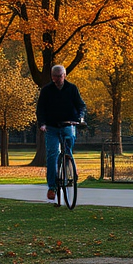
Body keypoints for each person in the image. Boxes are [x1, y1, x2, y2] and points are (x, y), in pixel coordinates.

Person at [36, 64, 87, 201]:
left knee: (68, 145)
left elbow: (81, 105)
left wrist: (80, 119)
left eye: (60, 76)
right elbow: (40, 109)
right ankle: (52, 187)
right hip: (52, 126)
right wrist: (42, 124)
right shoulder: (46, 90)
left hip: (68, 123)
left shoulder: (72, 89)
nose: (58, 79)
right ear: (52, 77)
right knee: (52, 153)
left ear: (64, 75)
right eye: (55, 76)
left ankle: (71, 167)